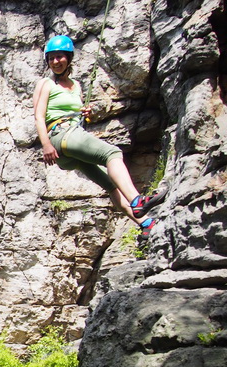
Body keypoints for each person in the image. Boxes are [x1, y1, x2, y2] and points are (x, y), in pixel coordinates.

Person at [33, 35, 166, 243]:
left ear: (68, 58)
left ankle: (145, 224)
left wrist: (83, 112)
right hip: (60, 136)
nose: (55, 62)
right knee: (112, 153)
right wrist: (46, 144)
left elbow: (71, 110)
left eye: (59, 57)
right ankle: (137, 200)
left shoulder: (75, 86)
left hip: (70, 142)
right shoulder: (46, 84)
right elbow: (39, 116)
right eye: (51, 58)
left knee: (111, 185)